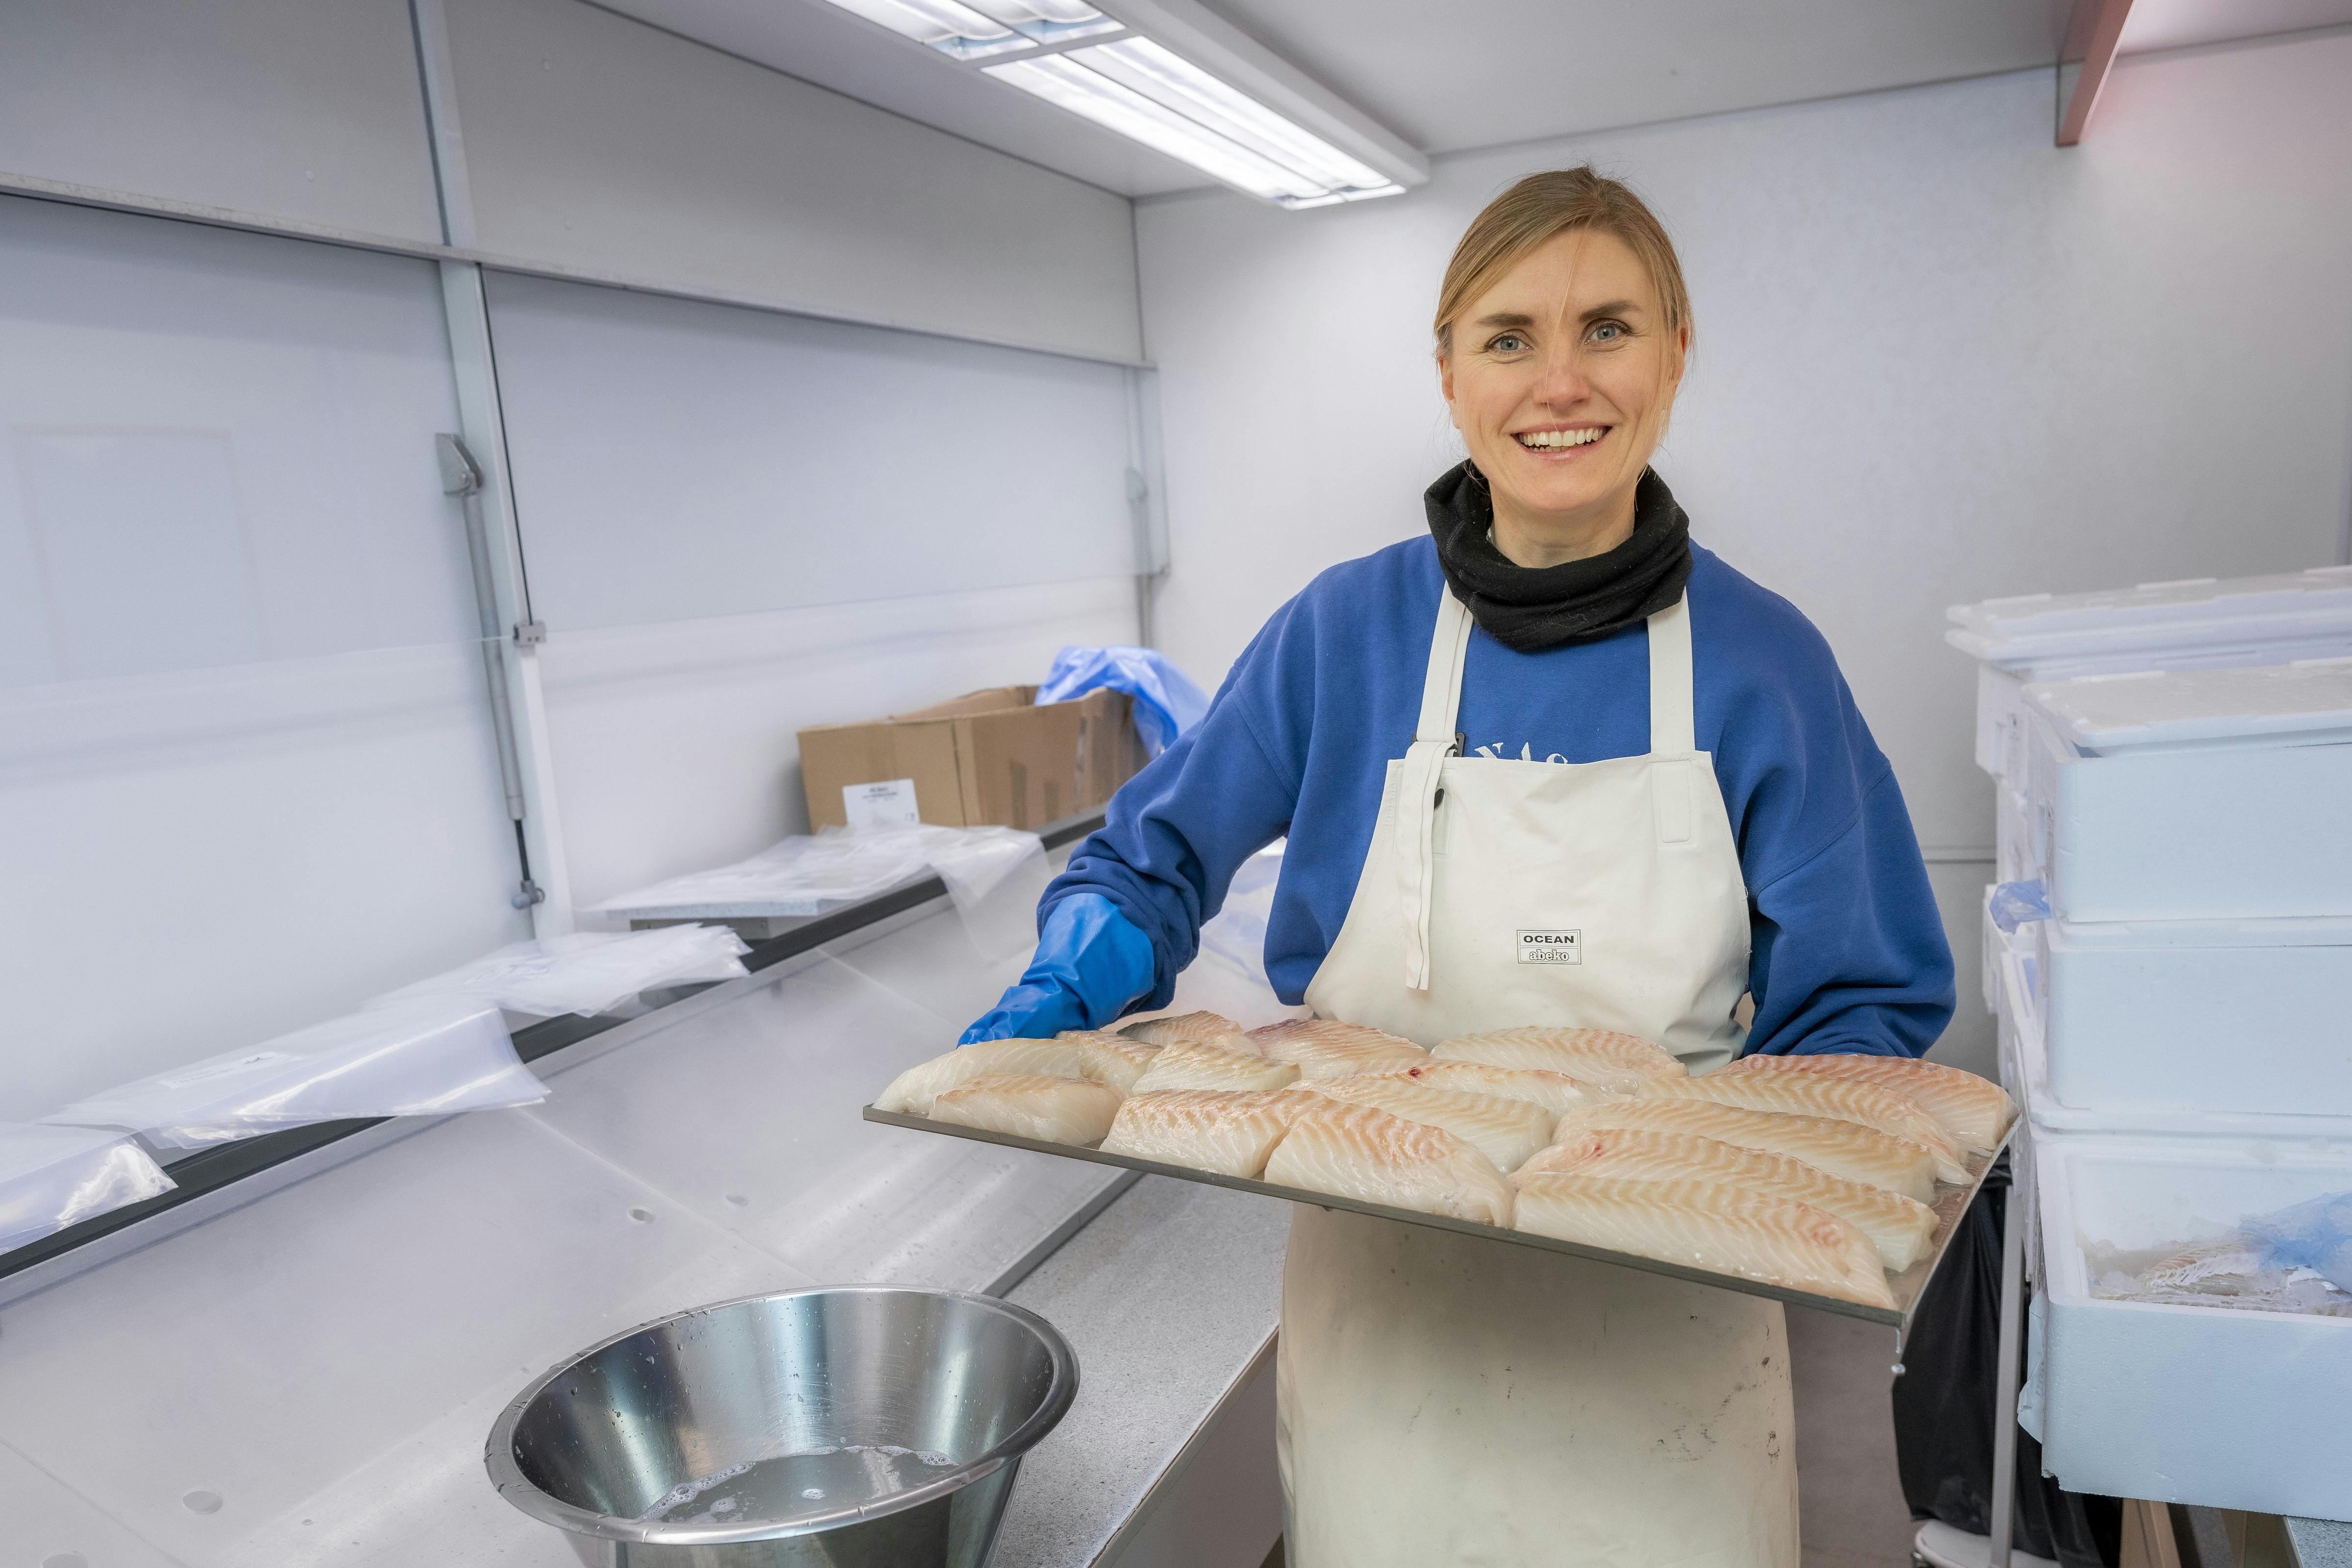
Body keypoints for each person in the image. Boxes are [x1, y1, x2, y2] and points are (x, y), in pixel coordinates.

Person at [963, 166, 1955, 1568]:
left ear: (1676, 352)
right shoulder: (1343, 631)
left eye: (1607, 327)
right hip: (1392, 1323)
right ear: (1447, 373)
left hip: (1671, 1328)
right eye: (1507, 337)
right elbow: (1148, 858)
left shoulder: (1760, 659)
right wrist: (1080, 966)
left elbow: (1862, 1002)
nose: (1561, 381)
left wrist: (1754, 1163)